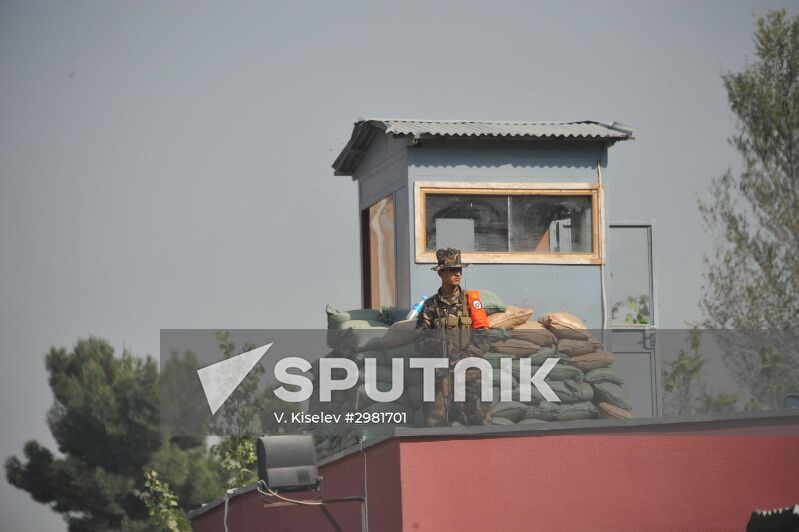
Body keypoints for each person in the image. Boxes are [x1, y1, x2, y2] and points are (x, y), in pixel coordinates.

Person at [415, 247, 492, 427]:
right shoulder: (430, 305)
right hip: (439, 372)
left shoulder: (471, 301)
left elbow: (483, 337)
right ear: (441, 273)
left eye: (460, 270)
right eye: (452, 270)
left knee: (479, 422)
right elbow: (420, 340)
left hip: (468, 371)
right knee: (435, 421)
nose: (458, 274)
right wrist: (439, 349)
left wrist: (463, 359)